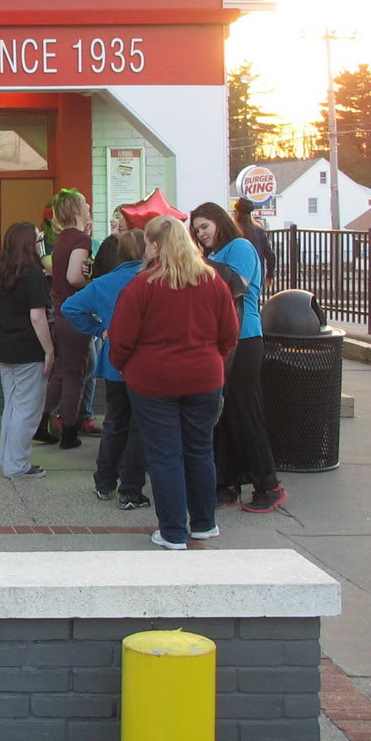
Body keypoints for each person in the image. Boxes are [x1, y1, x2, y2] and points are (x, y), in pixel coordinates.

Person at [110, 215, 239, 549]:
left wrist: (125, 367)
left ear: (154, 246)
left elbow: (121, 339)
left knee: (165, 456)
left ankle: (172, 531)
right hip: (204, 377)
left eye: (148, 244)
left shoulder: (141, 286)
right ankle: (204, 523)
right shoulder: (212, 281)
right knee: (200, 450)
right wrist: (212, 360)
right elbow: (229, 333)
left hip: (153, 381)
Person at [190, 201, 287, 513]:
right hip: (222, 341)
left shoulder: (240, 246)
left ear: (219, 221)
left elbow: (237, 285)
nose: (200, 234)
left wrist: (196, 262)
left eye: (204, 226)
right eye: (196, 230)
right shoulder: (216, 254)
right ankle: (227, 483)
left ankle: (268, 484)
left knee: (246, 411)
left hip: (244, 338)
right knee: (225, 413)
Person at [62, 228, 151, 509]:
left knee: (114, 422)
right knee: (140, 426)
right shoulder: (154, 280)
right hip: (146, 362)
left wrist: (99, 328)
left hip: (114, 362)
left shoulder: (103, 283)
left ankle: (104, 482)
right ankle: (131, 489)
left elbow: (69, 308)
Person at [0, 222, 54, 479]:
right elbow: (37, 317)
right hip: (28, 349)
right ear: (29, 243)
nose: (41, 244)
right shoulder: (33, 274)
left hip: (4, 347)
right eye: (39, 239)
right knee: (27, 409)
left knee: (13, 406)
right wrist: (49, 350)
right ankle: (17, 464)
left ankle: (8, 458)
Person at [40, 188, 93, 449]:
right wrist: (92, 278)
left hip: (60, 312)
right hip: (75, 316)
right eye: (85, 203)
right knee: (75, 374)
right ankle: (70, 432)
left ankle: (41, 421)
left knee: (61, 372)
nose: (89, 206)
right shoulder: (81, 239)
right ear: (75, 209)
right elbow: (74, 277)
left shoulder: (62, 238)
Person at [234, 197, 278, 280]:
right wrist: (269, 275)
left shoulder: (233, 232)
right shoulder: (259, 232)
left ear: (236, 213)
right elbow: (270, 256)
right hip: (257, 277)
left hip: (237, 277)